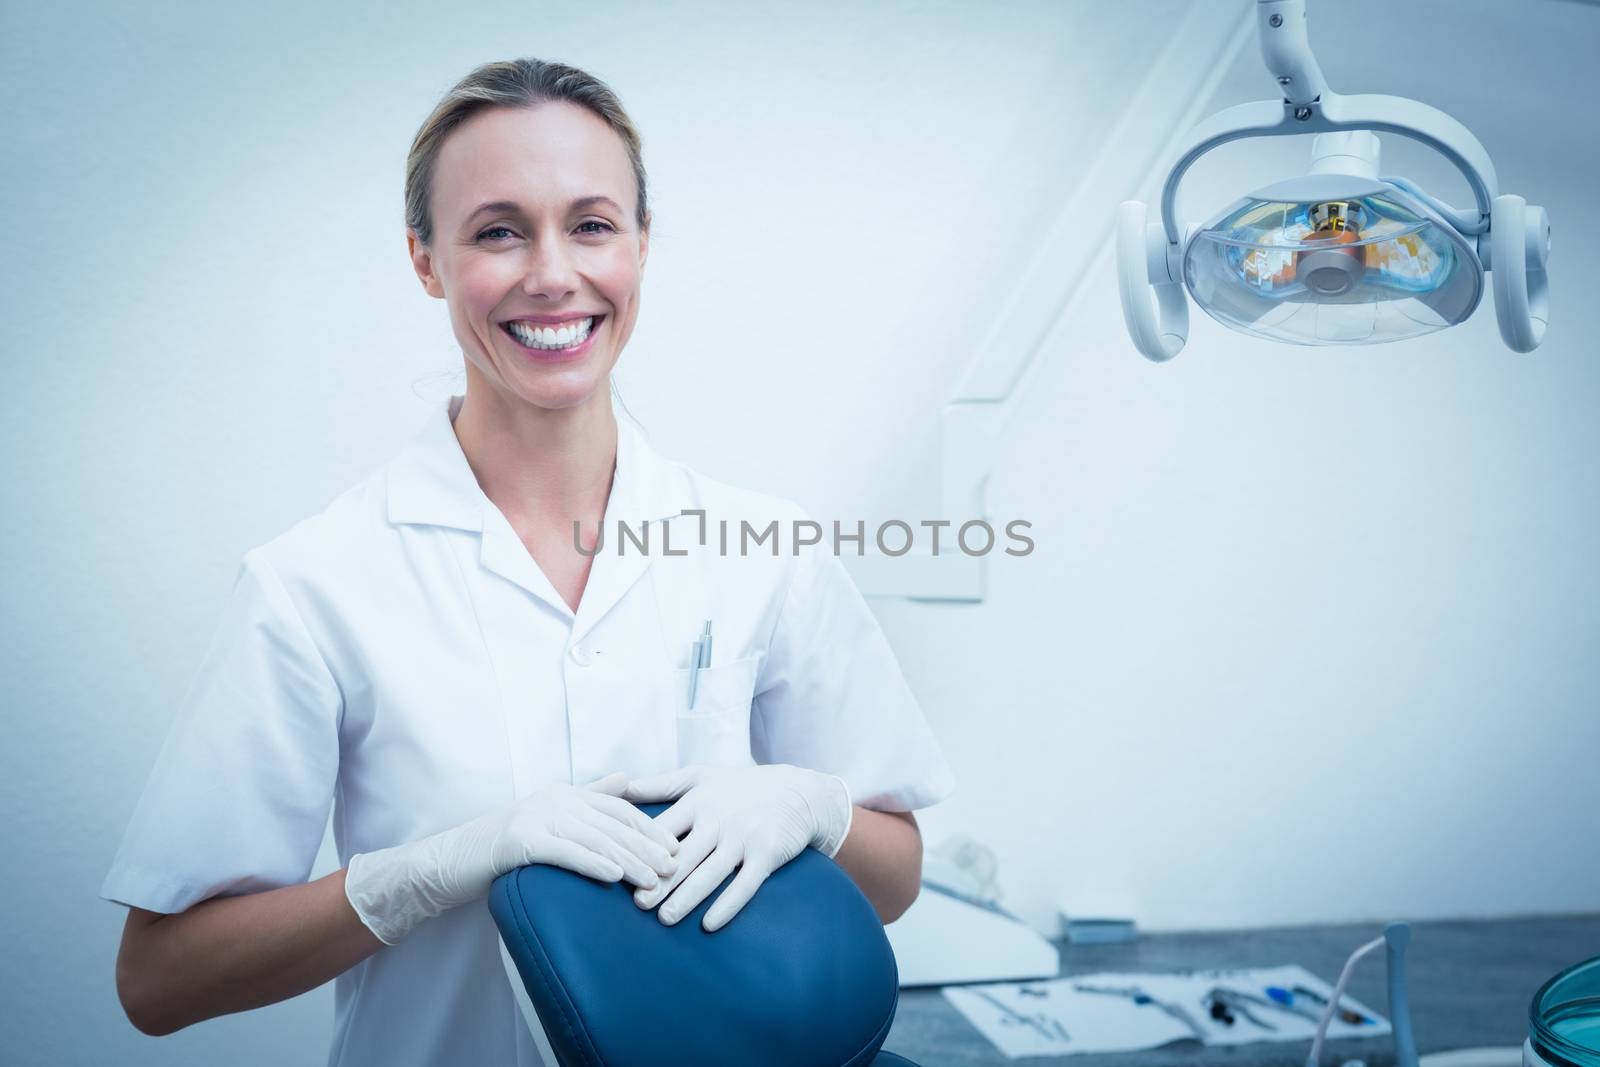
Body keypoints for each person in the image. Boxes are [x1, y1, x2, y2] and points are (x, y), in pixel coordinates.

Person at [101, 57, 955, 1066]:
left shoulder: (763, 551)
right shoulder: (314, 583)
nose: (552, 273)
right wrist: (420, 874)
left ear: (641, 244)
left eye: (591, 224)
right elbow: (159, 979)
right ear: (425, 258)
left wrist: (810, 806)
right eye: (498, 230)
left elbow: (894, 879)